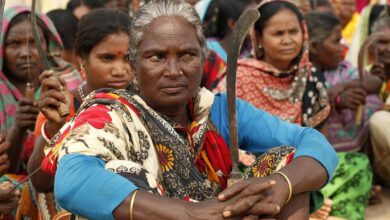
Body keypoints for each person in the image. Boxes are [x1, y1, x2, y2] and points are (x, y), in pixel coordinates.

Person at [49, 0, 337, 219]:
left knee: (287, 162)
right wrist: (189, 213)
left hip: (217, 214)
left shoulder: (219, 110)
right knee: (119, 171)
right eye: (156, 57)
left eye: (187, 55)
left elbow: (314, 143)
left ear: (204, 59)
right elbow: (72, 181)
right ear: (134, 63)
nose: (173, 71)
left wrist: (283, 184)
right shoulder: (110, 115)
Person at [16, 8, 134, 220]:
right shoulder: (63, 104)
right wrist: (55, 127)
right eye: (107, 58)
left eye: (128, 58)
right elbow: (40, 182)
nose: (120, 70)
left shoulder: (142, 102)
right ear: (82, 58)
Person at [306, 11, 382, 219]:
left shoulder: (342, 69)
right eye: (336, 41)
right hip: (313, 158)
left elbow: (373, 82)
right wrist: (335, 100)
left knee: (359, 165)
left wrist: (341, 88)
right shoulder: (303, 75)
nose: (342, 47)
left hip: (346, 154)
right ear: (314, 47)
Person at [0, 5, 81, 176]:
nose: (25, 53)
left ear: (48, 45)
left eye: (34, 43)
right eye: (14, 43)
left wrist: (52, 123)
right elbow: (6, 169)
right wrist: (18, 129)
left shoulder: (67, 80)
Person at [368, 15, 390, 187]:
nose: (388, 48)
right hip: (382, 165)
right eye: (383, 42)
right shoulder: (361, 72)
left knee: (380, 120)